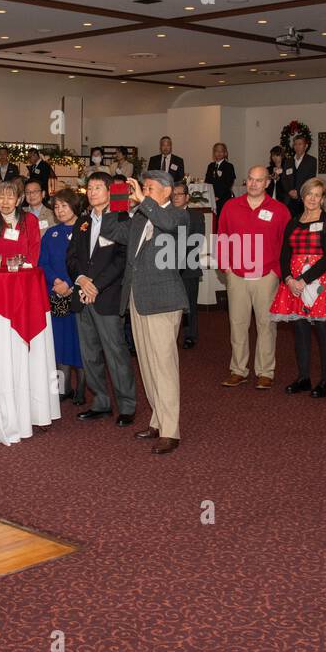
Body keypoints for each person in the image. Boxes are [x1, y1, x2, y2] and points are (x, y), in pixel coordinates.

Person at [121, 171, 192, 454]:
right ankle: (157, 419)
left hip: (164, 300)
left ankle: (171, 430)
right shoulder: (141, 216)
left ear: (166, 191)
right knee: (148, 365)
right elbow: (118, 236)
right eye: (143, 187)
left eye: (149, 188)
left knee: (164, 366)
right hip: (138, 299)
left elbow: (165, 222)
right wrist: (105, 211)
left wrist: (144, 202)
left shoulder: (178, 215)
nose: (144, 192)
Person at [67, 171, 136, 426]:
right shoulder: (82, 222)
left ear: (110, 191)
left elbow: (121, 259)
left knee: (116, 353)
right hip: (82, 295)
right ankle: (101, 402)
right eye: (90, 187)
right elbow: (72, 257)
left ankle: (127, 405)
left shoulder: (121, 219)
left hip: (106, 296)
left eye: (98, 187)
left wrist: (95, 284)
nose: (93, 191)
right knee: (90, 354)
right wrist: (81, 279)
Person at [270, 177, 326, 398]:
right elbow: (285, 253)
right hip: (293, 283)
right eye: (309, 194)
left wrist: (304, 280)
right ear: (303, 196)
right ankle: (304, 377)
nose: (313, 199)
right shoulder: (293, 221)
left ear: (323, 199)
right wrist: (288, 279)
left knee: (324, 331)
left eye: (318, 195)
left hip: (318, 282)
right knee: (300, 330)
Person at [217, 165, 289, 390]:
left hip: (266, 275)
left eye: (259, 180)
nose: (254, 184)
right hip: (237, 275)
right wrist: (225, 266)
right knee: (237, 324)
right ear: (245, 181)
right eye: (250, 179)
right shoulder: (230, 206)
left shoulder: (279, 210)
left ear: (268, 183)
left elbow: (287, 245)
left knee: (266, 324)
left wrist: (277, 271)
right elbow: (222, 237)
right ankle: (238, 369)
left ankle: (265, 371)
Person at [40, 187, 86, 406]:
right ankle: (62, 388)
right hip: (56, 294)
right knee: (58, 343)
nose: (59, 210)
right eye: (56, 206)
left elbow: (87, 261)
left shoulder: (85, 229)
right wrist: (56, 282)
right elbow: (43, 263)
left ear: (74, 205)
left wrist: (68, 283)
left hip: (78, 293)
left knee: (81, 343)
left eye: (64, 205)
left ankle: (83, 388)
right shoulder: (51, 233)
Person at [170, 181, 206, 348]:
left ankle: (190, 335)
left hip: (188, 267)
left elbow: (196, 243)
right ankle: (170, 335)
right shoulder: (165, 214)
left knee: (190, 304)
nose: (176, 197)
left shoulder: (196, 216)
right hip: (166, 267)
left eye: (179, 194)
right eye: (173, 194)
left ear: (187, 197)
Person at [0, 178, 41, 265]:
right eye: (1, 197)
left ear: (18, 201)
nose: (5, 202)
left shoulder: (30, 220)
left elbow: (34, 250)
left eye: (10, 198)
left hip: (23, 274)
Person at [280, 132, 317, 217]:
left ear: (306, 146)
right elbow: (284, 179)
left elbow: (310, 179)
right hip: (288, 199)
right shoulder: (288, 161)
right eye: (295, 144)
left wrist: (298, 191)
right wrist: (290, 191)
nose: (297, 146)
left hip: (303, 198)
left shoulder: (311, 161)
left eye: (300, 144)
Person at [204, 143, 235, 218]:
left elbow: (228, 183)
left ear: (225, 153)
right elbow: (207, 181)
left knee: (222, 219)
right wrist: (210, 195)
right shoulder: (210, 166)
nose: (219, 153)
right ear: (214, 153)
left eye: (221, 151)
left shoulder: (229, 166)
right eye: (216, 151)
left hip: (223, 198)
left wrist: (218, 196)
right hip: (211, 198)